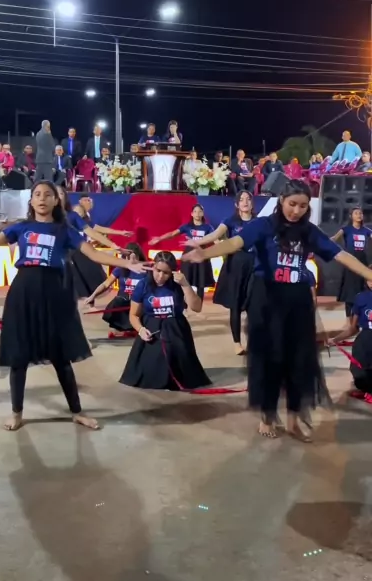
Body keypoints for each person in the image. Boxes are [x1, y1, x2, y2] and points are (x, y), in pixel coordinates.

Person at [0, 181, 149, 431]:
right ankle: (17, 413)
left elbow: (94, 254)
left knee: (60, 358)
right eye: (37, 194)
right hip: (23, 293)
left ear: (56, 201)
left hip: (54, 295)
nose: (42, 198)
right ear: (31, 201)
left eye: (48, 194)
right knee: (19, 357)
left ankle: (77, 412)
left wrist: (126, 264)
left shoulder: (65, 230)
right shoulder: (21, 227)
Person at [183, 179, 372, 440]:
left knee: (299, 362)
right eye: (292, 204)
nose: (297, 211)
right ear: (282, 200)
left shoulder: (309, 231)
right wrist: (205, 254)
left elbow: (340, 255)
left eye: (303, 206)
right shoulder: (264, 225)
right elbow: (235, 242)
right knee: (269, 361)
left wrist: (369, 274)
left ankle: (294, 421)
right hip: (267, 301)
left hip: (298, 302)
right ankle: (268, 416)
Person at [119, 251, 210, 391]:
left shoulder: (178, 284)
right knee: (150, 374)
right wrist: (140, 330)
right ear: (153, 266)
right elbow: (133, 315)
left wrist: (186, 285)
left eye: (166, 273)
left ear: (172, 272)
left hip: (176, 328)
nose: (160, 276)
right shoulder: (143, 285)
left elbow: (197, 307)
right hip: (152, 328)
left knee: (185, 374)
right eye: (158, 270)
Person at [185, 191, 256, 354]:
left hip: (254, 266)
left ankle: (253, 341)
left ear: (252, 203)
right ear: (237, 204)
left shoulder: (259, 222)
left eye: (248, 199)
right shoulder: (230, 221)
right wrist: (197, 242)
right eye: (241, 199)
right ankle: (237, 343)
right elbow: (214, 235)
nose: (245, 202)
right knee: (235, 305)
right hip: (236, 266)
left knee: (254, 305)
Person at [67, 195, 132, 298]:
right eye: (87, 200)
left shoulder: (85, 219)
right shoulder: (74, 215)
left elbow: (97, 229)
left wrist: (119, 233)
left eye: (90, 200)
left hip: (83, 251)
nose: (90, 202)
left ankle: (90, 297)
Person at [149, 204, 214, 300]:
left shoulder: (208, 227)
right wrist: (159, 238)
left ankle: (198, 303)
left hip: (201, 257)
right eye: (195, 211)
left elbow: (215, 239)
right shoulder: (187, 226)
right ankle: (183, 302)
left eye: (200, 211)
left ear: (203, 213)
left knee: (201, 283)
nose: (197, 213)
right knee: (185, 280)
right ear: (192, 214)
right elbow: (172, 234)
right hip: (188, 257)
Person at [84, 243, 146, 336]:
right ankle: (120, 330)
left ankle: (137, 328)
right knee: (117, 301)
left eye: (134, 258)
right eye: (128, 258)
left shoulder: (146, 270)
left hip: (139, 303)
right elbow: (106, 284)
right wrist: (93, 296)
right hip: (123, 301)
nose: (132, 261)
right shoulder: (120, 269)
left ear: (139, 257)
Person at [332, 272, 372, 399]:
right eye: (369, 279)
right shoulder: (361, 298)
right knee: (359, 370)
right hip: (365, 339)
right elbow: (353, 328)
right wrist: (335, 339)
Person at [331, 207, 372, 316]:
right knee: (349, 291)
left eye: (360, 213)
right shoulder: (346, 229)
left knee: (362, 289)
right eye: (356, 213)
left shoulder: (366, 231)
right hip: (349, 262)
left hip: (362, 262)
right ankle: (349, 316)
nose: (359, 215)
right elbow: (334, 238)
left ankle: (361, 315)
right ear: (351, 216)